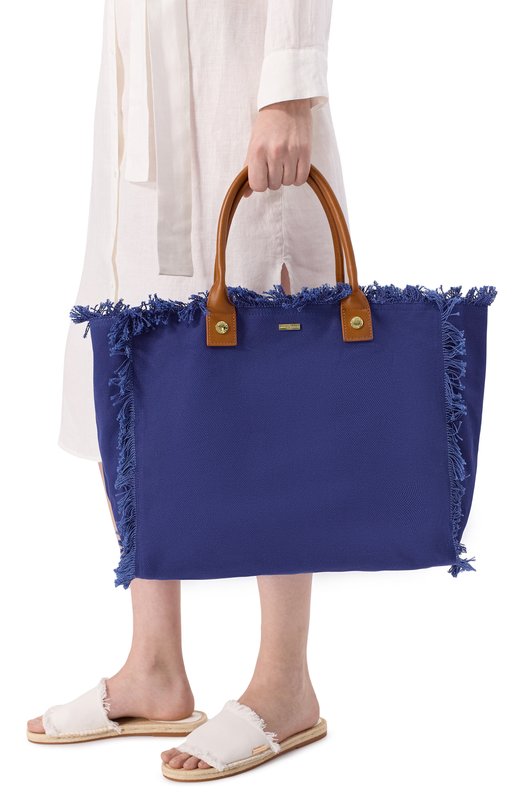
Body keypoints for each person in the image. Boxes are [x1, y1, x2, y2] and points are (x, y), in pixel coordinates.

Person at [28, 0, 349, 779]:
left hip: (238, 80)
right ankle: (154, 667)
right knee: (126, 370)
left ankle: (284, 682)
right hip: (139, 80)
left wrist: (287, 91)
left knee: (270, 385)